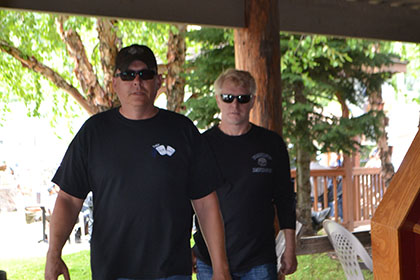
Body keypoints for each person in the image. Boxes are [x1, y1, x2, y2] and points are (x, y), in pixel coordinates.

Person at [45, 44, 231, 280]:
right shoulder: (94, 132)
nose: (137, 81)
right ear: (115, 83)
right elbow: (69, 198)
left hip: (170, 272)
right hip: (112, 271)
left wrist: (221, 268)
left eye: (145, 74)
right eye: (127, 74)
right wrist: (54, 254)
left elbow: (206, 202)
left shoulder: (182, 130)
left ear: (158, 82)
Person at [192, 69, 297, 279]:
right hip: (209, 258)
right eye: (228, 98)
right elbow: (188, 202)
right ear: (218, 100)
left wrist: (291, 248)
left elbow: (285, 198)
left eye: (242, 98)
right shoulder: (201, 145)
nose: (235, 105)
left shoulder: (271, 144)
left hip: (258, 259)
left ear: (253, 101)